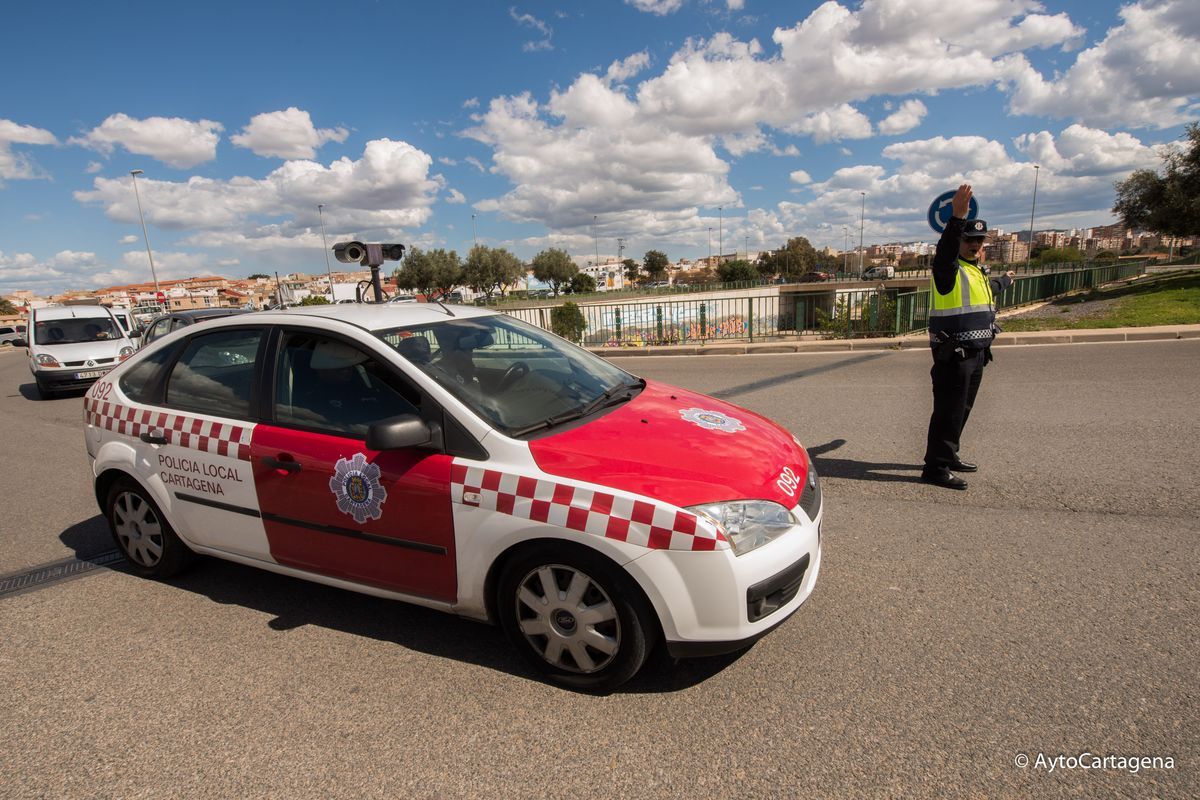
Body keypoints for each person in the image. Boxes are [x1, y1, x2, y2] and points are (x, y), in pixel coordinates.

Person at [921, 184, 1015, 490]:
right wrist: (957, 218)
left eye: (979, 240)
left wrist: (1005, 281)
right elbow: (945, 252)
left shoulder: (976, 272)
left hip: (976, 353)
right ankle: (935, 468)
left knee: (962, 409)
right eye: (969, 239)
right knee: (948, 411)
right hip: (954, 353)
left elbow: (988, 294)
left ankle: (949, 455)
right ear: (959, 241)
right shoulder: (949, 270)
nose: (975, 244)